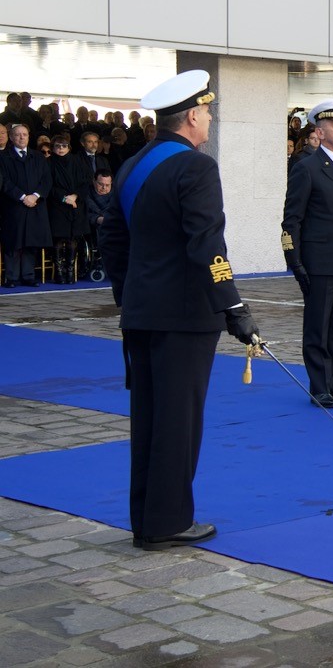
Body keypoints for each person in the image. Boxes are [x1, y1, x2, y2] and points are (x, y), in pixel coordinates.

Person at [97, 69, 259, 550]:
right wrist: (233, 306)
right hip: (186, 316)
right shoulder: (196, 167)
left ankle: (147, 518)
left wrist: (129, 293)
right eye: (207, 112)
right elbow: (207, 243)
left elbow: (111, 237)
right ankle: (167, 523)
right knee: (178, 421)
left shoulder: (133, 165)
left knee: (149, 417)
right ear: (191, 115)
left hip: (143, 312)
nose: (209, 120)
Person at [281, 99, 333, 409]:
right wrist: (295, 261)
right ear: (319, 130)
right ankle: (319, 386)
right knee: (318, 326)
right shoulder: (307, 168)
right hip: (319, 261)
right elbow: (292, 220)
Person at [0, 124, 53, 287]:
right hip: (13, 206)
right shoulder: (3, 157)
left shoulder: (38, 157)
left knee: (31, 242)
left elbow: (46, 180)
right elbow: (4, 182)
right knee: (13, 243)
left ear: (29, 137)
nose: (21, 137)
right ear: (11, 137)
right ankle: (11, 277)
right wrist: (22, 197)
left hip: (35, 206)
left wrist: (35, 196)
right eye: (17, 135)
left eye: (24, 134)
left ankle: (29, 276)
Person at [48, 134, 92, 283]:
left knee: (73, 237)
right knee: (59, 238)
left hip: (76, 205)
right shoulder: (48, 163)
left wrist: (75, 196)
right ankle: (59, 272)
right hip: (57, 205)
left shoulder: (78, 161)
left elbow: (86, 182)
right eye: (57, 146)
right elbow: (48, 184)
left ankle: (70, 271)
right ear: (52, 148)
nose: (60, 149)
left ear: (69, 147)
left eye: (64, 146)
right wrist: (64, 198)